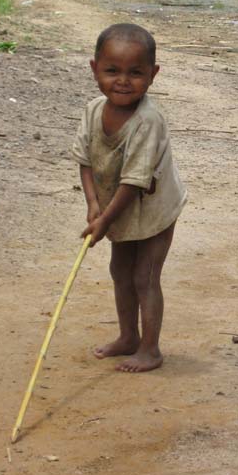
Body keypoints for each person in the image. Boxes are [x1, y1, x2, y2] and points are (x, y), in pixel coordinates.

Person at [73, 23, 186, 373]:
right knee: (120, 270)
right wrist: (94, 204)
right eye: (112, 71)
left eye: (135, 73)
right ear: (94, 69)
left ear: (153, 75)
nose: (123, 80)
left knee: (144, 277)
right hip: (116, 208)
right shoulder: (93, 111)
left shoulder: (147, 121)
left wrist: (105, 220)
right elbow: (86, 161)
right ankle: (128, 337)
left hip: (152, 211)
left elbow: (135, 183)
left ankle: (150, 349)